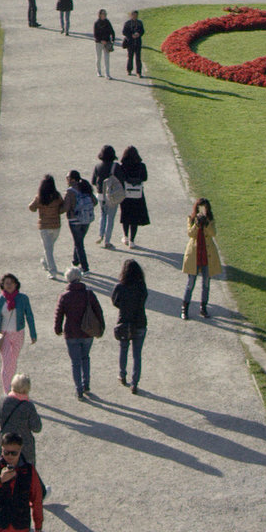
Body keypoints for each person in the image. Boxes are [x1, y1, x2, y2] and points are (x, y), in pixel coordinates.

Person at [54, 268, 105, 399]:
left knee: (75, 362)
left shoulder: (64, 296)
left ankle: (79, 389)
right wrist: (101, 327)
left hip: (71, 334)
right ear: (80, 278)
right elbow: (98, 311)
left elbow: (59, 315)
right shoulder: (89, 294)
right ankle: (86, 384)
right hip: (88, 332)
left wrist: (58, 329)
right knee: (85, 358)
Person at [0, 274, 37, 392]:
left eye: (11, 283)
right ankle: (7, 391)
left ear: (16, 284)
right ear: (2, 285)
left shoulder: (23, 298)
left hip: (18, 333)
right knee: (7, 362)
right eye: (6, 283)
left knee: (13, 362)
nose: (9, 285)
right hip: (4, 335)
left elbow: (29, 316)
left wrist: (33, 334)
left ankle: (12, 387)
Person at [180, 197, 222, 319]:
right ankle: (184, 308)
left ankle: (203, 307)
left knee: (206, 283)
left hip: (207, 255)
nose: (202, 213)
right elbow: (190, 234)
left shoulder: (210, 220)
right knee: (190, 283)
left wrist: (207, 224)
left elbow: (213, 233)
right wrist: (197, 225)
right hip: (195, 254)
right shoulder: (191, 219)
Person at [111, 259, 150, 392]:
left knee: (123, 349)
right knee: (137, 355)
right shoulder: (141, 286)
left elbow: (115, 302)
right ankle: (135, 383)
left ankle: (122, 375)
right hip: (139, 322)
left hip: (124, 322)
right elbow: (144, 299)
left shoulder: (120, 287)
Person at [29, 176, 65, 276]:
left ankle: (52, 270)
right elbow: (62, 206)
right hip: (56, 225)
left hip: (44, 226)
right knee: (49, 247)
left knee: (48, 248)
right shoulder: (57, 196)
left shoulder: (40, 197)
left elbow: (31, 207)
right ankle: (45, 261)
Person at [115, 146, 151, 248]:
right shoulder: (141, 166)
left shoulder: (123, 167)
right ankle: (132, 240)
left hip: (126, 194)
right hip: (138, 194)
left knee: (125, 215)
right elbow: (145, 178)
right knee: (135, 217)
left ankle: (125, 236)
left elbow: (120, 178)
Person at [61, 169, 95, 274]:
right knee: (79, 241)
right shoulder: (85, 187)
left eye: (67, 178)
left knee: (79, 243)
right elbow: (95, 201)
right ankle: (75, 261)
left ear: (72, 179)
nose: (66, 180)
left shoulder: (70, 191)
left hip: (74, 220)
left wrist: (56, 211)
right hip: (86, 220)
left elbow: (65, 207)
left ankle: (85, 268)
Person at [91, 145, 123, 248]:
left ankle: (101, 234)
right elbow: (121, 180)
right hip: (111, 195)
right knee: (110, 218)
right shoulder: (116, 166)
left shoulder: (97, 166)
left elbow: (93, 181)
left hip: (100, 194)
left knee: (102, 215)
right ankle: (107, 240)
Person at [121, 10, 147, 77]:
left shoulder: (139, 23)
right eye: (134, 15)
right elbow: (124, 32)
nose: (135, 17)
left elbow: (142, 31)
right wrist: (131, 35)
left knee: (138, 58)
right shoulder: (128, 23)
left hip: (138, 42)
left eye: (136, 15)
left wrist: (139, 34)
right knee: (130, 57)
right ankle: (129, 70)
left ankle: (139, 72)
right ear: (131, 15)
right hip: (130, 42)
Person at [90, 8, 115, 77]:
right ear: (100, 15)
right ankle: (99, 71)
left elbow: (112, 32)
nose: (104, 15)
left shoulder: (107, 22)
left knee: (107, 59)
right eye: (103, 14)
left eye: (105, 14)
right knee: (98, 57)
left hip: (107, 42)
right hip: (99, 42)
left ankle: (107, 74)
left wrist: (112, 40)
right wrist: (101, 40)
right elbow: (95, 34)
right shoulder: (97, 23)